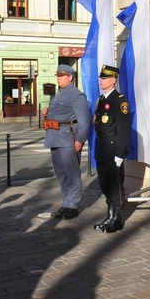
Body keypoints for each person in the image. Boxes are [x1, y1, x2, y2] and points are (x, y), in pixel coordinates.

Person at [42, 64, 91, 220]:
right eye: (58, 75)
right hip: (54, 136)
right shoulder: (59, 94)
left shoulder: (77, 95)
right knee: (61, 174)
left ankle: (73, 205)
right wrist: (46, 114)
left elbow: (84, 120)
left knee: (72, 173)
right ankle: (66, 203)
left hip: (68, 138)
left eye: (62, 76)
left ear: (70, 77)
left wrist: (80, 140)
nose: (58, 78)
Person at [92, 65, 131, 233]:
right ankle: (109, 216)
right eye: (101, 78)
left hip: (113, 148)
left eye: (105, 78)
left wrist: (120, 153)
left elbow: (124, 128)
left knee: (115, 185)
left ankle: (116, 218)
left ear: (113, 80)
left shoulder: (120, 101)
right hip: (102, 146)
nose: (101, 80)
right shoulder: (102, 100)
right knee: (105, 184)